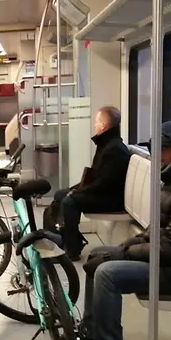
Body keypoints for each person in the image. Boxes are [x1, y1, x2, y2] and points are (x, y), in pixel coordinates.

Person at [79, 119, 171, 340]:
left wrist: (124, 253)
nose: (158, 156)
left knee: (107, 273)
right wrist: (127, 245)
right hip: (163, 260)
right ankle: (91, 331)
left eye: (165, 149)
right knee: (96, 255)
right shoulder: (170, 184)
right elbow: (156, 231)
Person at [53, 106, 131, 260]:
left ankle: (72, 249)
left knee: (70, 202)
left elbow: (104, 183)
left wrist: (78, 192)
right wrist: (77, 189)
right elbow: (97, 177)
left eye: (96, 123)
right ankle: (62, 241)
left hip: (110, 199)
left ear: (103, 126)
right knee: (60, 195)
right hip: (103, 193)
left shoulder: (114, 149)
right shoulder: (107, 145)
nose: (94, 126)